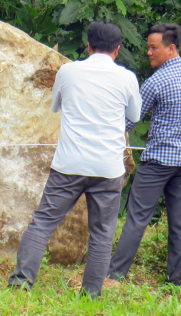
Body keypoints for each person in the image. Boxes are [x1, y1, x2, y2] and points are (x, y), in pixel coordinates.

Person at [8, 21, 142, 298]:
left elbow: (56, 105)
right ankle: (91, 295)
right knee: (103, 233)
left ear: (88, 45)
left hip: (69, 164)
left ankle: (21, 284)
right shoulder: (127, 77)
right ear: (117, 50)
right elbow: (135, 115)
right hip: (107, 167)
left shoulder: (68, 71)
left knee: (43, 222)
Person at [105, 23, 181, 287]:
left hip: (157, 162)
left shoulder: (155, 82)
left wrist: (107, 137)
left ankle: (114, 277)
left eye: (153, 48)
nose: (149, 52)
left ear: (171, 49)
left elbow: (130, 121)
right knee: (180, 223)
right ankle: (177, 283)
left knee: (137, 219)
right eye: (148, 47)